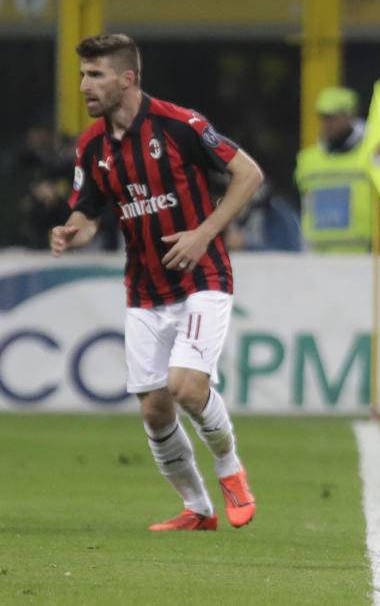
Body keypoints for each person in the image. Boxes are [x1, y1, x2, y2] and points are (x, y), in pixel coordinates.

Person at [51, 34, 261, 531]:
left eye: (96, 75)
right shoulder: (92, 146)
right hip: (144, 290)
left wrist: (204, 232)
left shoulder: (180, 124)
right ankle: (199, 509)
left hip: (202, 276)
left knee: (187, 388)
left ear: (128, 79)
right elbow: (88, 211)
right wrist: (72, 231)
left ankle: (232, 472)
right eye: (83, 74)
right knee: (155, 411)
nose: (84, 85)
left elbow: (248, 174)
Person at [294, 85, 380, 253]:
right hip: (318, 260)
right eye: (323, 117)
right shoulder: (307, 160)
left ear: (349, 115)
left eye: (332, 117)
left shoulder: (374, 156)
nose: (327, 123)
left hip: (364, 260)